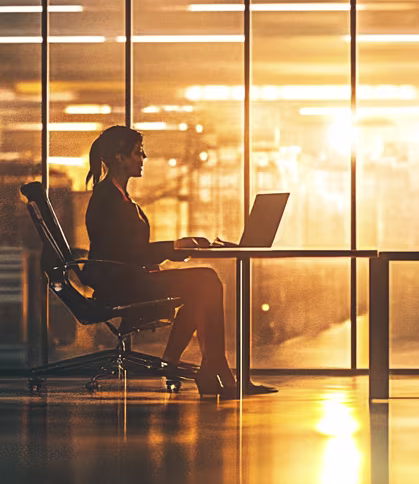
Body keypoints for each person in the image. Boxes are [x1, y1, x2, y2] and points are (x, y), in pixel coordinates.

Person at [83, 124, 275, 397]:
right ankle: (212, 369)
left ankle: (194, 367)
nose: (144, 158)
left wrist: (174, 247)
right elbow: (124, 254)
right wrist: (173, 247)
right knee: (206, 280)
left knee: (202, 288)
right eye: (138, 153)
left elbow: (128, 249)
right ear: (120, 158)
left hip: (130, 278)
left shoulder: (119, 198)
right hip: (122, 284)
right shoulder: (108, 200)